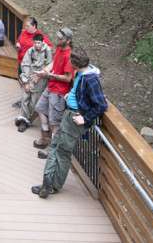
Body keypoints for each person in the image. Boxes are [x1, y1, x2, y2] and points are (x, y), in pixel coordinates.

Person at [32, 51, 107, 198]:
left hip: (75, 118)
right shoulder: (81, 73)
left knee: (62, 151)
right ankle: (48, 183)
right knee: (56, 147)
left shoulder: (91, 79)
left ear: (75, 64)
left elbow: (101, 105)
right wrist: (70, 95)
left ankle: (51, 185)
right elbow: (79, 90)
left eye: (70, 62)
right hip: (69, 114)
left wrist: (85, 118)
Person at [33, 27, 73, 154]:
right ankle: (45, 138)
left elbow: (68, 78)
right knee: (40, 108)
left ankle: (53, 149)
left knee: (55, 122)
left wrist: (50, 76)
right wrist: (44, 71)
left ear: (68, 40)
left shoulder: (69, 55)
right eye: (58, 37)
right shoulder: (60, 49)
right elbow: (54, 63)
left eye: (61, 38)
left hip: (59, 92)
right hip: (50, 87)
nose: (58, 39)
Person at [14, 32, 53, 132]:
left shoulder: (47, 51)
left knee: (34, 102)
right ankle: (23, 119)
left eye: (39, 43)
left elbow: (49, 66)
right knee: (25, 98)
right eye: (35, 43)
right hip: (30, 77)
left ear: (42, 42)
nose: (37, 45)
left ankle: (28, 119)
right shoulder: (30, 51)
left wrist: (40, 76)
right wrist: (26, 82)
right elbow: (25, 65)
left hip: (41, 80)